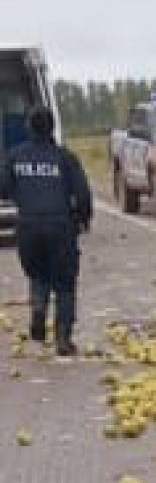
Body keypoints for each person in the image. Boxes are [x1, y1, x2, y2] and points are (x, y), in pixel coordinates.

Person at [1, 106, 92, 356]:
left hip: (28, 226)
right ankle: (63, 338)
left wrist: (24, 195)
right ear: (52, 128)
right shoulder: (65, 157)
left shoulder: (14, 156)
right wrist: (83, 219)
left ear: (28, 128)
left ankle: (39, 309)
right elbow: (83, 195)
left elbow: (4, 188)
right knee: (64, 283)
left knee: (38, 275)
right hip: (60, 225)